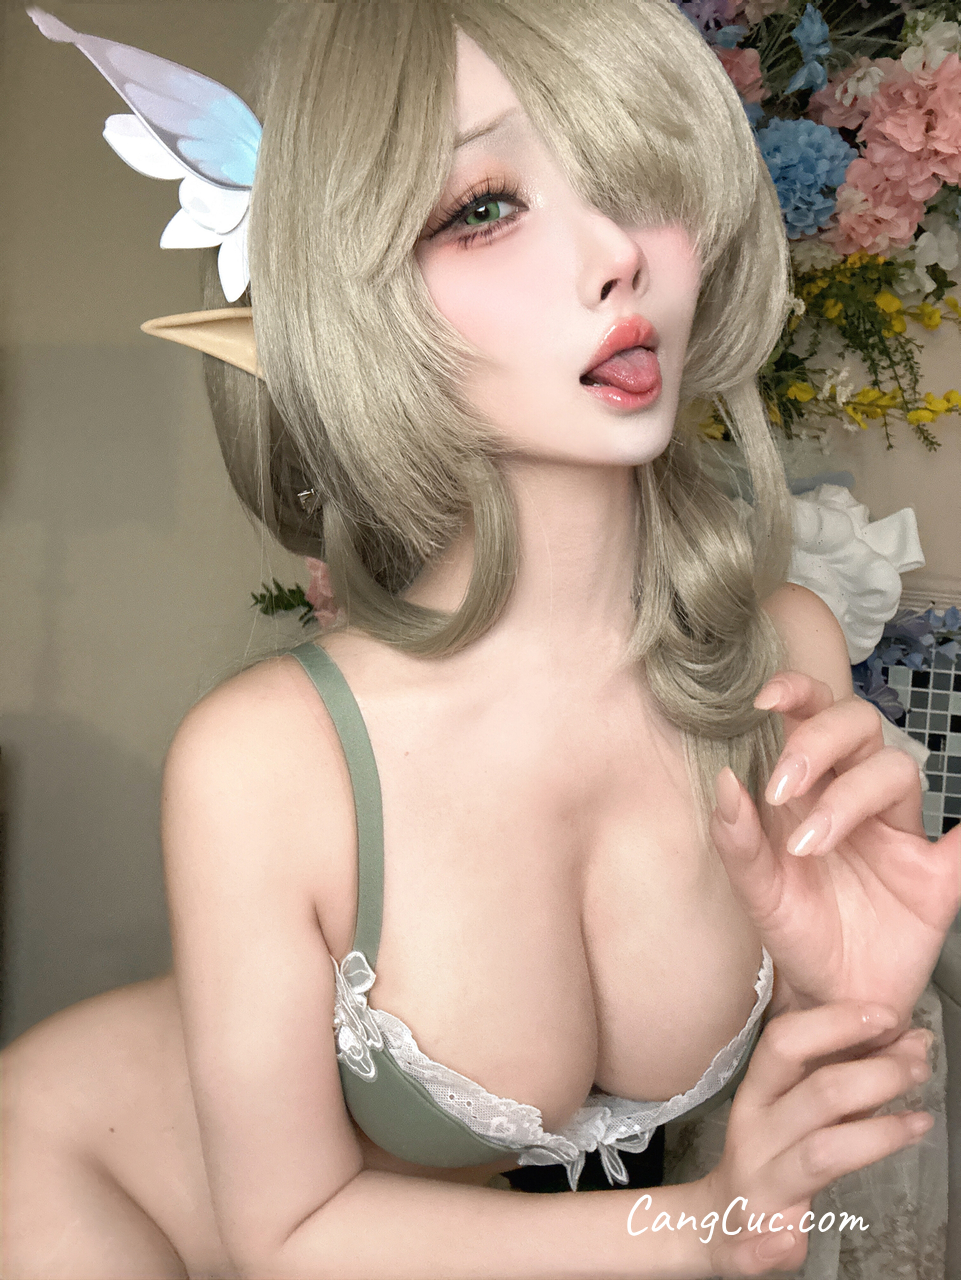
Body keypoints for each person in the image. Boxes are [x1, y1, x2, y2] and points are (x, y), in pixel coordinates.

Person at [5, 2, 958, 1277]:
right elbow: (289, 1231)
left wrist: (855, 1006)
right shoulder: (266, 761)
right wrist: (707, 1224)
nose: (615, 254)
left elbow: (795, 1173)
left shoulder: (779, 658)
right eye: (486, 206)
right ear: (356, 298)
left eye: (636, 179)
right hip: (93, 1188)